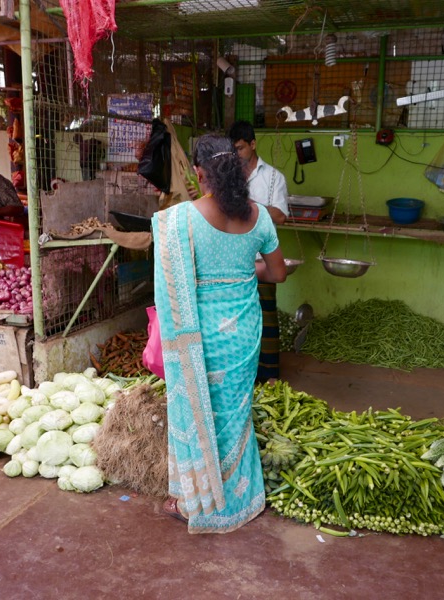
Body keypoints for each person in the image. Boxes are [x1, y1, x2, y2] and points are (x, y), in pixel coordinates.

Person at [152, 134, 286, 533]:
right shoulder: (259, 216)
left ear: (199, 172)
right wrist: (245, 271)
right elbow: (277, 273)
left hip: (198, 337)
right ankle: (238, 497)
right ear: (237, 169)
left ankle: (197, 501)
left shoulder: (181, 220)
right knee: (235, 415)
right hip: (242, 333)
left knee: (200, 413)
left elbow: (176, 283)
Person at [228, 120, 289, 383]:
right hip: (234, 259)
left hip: (261, 258)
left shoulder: (273, 177)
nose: (237, 154)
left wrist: (250, 206)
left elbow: (280, 215)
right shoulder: (228, 177)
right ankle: (245, 375)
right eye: (233, 150)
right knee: (239, 321)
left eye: (240, 149)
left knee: (266, 317)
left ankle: (270, 375)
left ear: (253, 145)